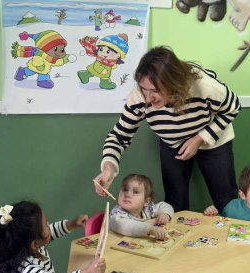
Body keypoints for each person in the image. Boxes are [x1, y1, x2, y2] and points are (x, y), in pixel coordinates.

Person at [94, 46, 241, 213]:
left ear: (174, 84)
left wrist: (200, 138)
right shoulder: (139, 97)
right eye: (144, 88)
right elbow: (119, 136)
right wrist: (108, 169)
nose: (148, 98)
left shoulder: (204, 85)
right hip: (173, 142)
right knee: (175, 203)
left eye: (156, 91)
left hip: (213, 139)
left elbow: (233, 107)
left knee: (227, 201)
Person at [0, 200, 106, 273]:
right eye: (46, 225)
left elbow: (49, 234)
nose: (49, 226)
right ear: (35, 244)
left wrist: (71, 224)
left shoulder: (23, 248)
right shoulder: (32, 271)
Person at [109, 174, 174, 240]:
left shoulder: (148, 209)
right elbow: (124, 225)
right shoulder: (116, 215)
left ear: (146, 201)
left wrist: (165, 214)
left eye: (135, 192)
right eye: (125, 190)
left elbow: (164, 205)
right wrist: (149, 229)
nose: (127, 194)